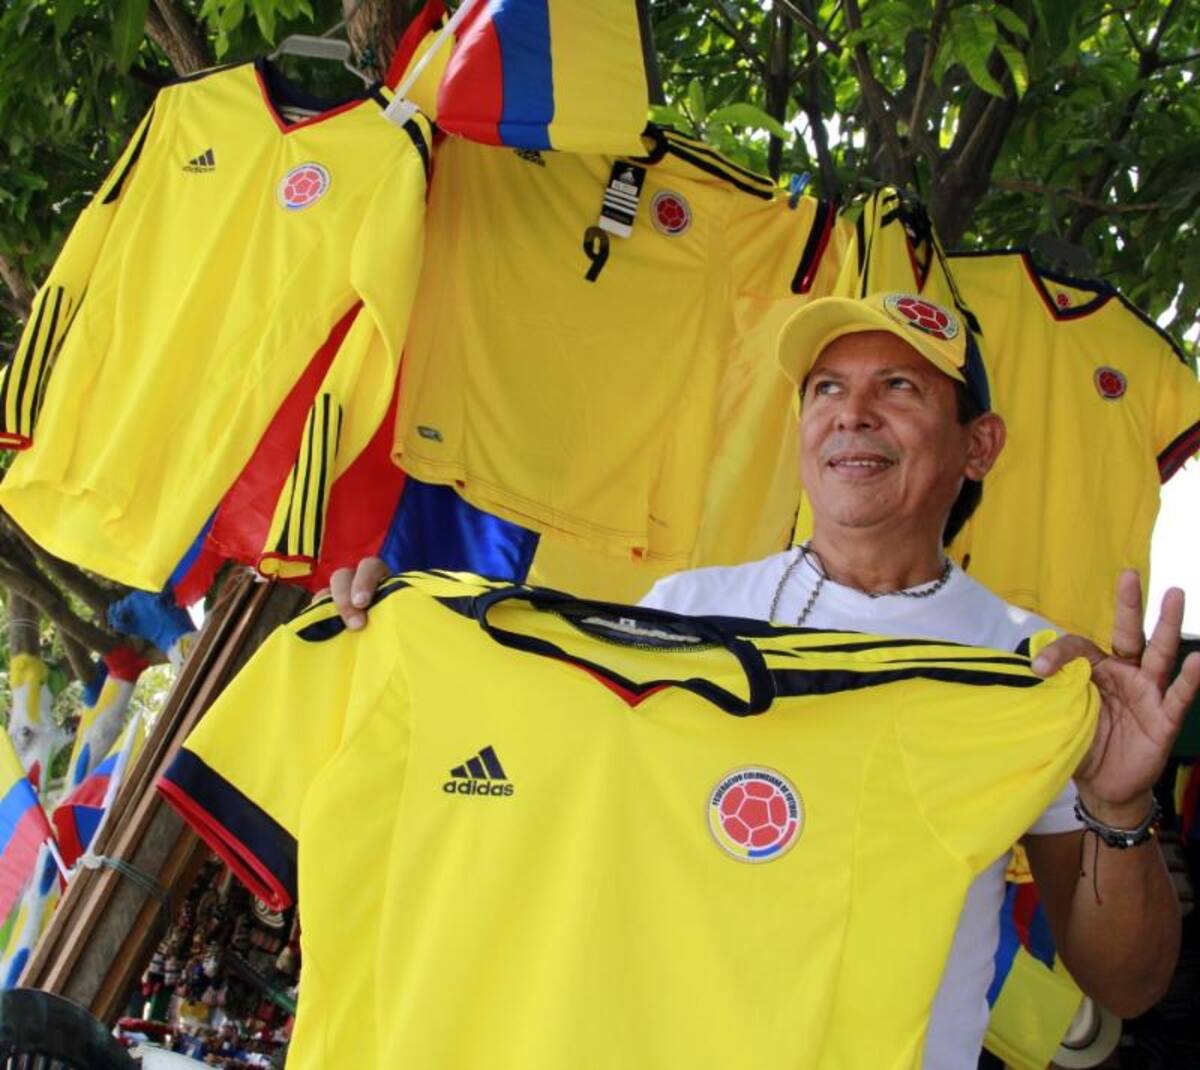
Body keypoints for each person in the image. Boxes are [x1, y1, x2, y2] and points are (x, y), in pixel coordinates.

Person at [329, 291, 1200, 1069]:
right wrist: (395, 631)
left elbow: (1125, 984)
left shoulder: (1029, 666)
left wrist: (1121, 807)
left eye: (899, 387)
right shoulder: (681, 612)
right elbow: (535, 794)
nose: (851, 414)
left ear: (980, 445)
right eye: (825, 389)